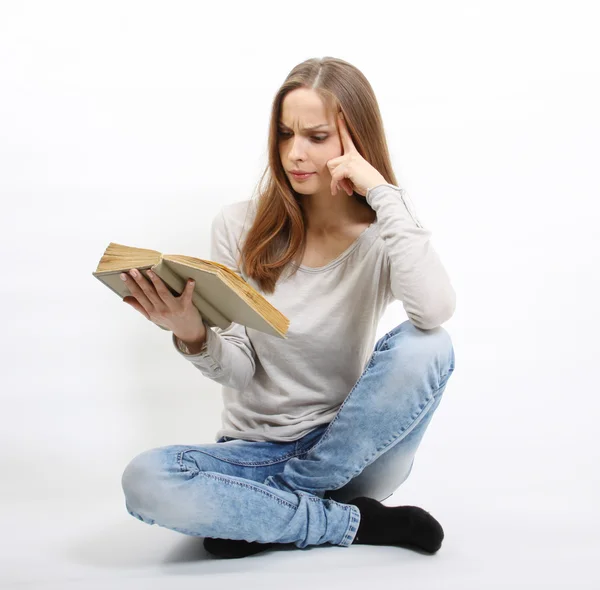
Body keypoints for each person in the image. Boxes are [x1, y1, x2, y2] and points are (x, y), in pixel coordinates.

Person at [120, 56, 456, 559]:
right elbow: (239, 371)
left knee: (428, 345)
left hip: (352, 454)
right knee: (147, 479)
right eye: (284, 134)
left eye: (316, 136)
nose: (294, 153)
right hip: (254, 453)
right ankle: (343, 521)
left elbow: (434, 310)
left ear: (355, 141)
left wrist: (381, 192)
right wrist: (193, 333)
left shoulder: (384, 235)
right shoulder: (238, 226)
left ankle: (275, 507)